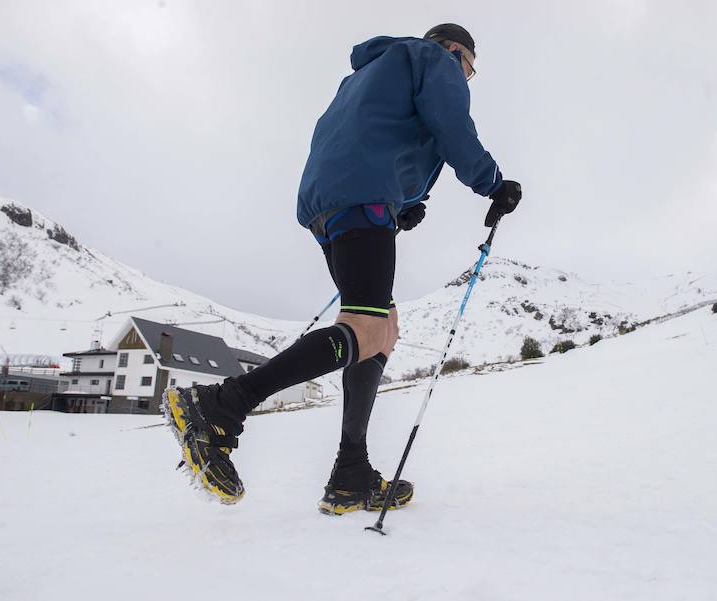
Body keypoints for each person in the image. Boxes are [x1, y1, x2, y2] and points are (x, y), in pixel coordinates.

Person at [162, 24, 522, 513]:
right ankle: (220, 407)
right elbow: (450, 125)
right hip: (362, 196)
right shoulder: (435, 60)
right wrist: (494, 184)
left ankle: (351, 471)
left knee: (382, 328)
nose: (466, 78)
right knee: (367, 327)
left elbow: (374, 134)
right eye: (470, 69)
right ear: (456, 51)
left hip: (332, 202)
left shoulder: (372, 70)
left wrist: (404, 204)